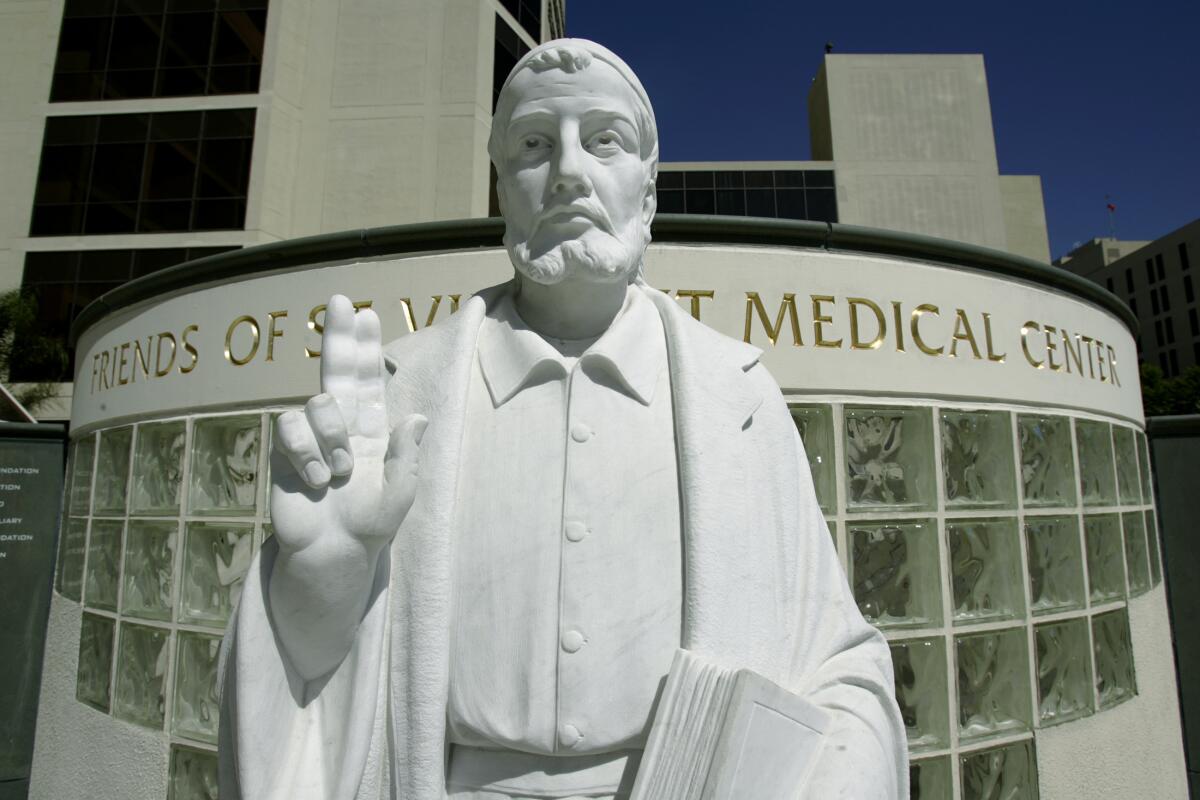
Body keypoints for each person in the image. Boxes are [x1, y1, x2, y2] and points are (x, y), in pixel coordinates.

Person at [219, 39, 905, 800]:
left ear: (647, 192)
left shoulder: (738, 401)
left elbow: (840, 661)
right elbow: (307, 672)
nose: (569, 172)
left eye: (603, 140)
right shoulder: (402, 395)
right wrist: (326, 571)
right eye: (535, 145)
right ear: (503, 189)